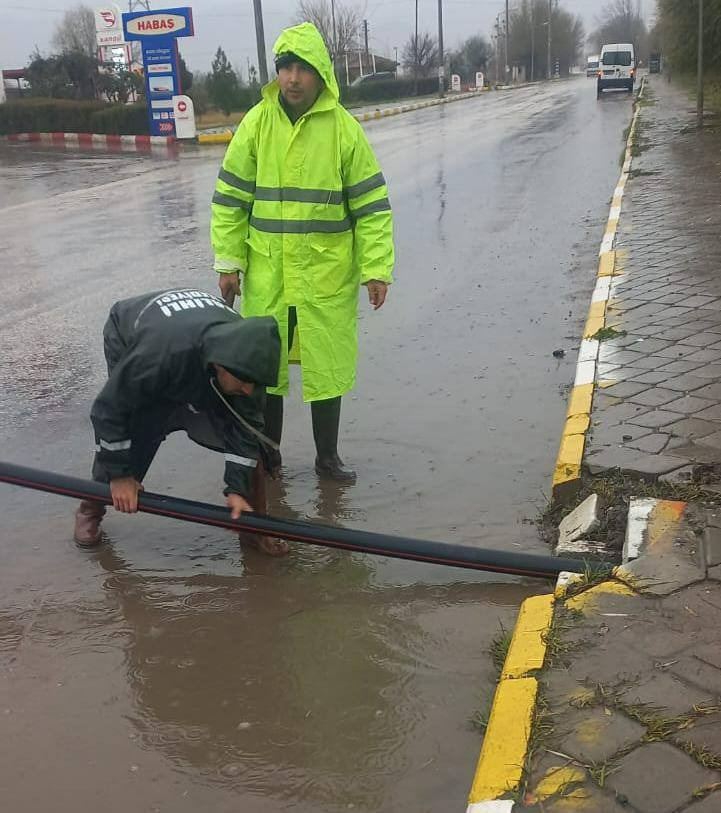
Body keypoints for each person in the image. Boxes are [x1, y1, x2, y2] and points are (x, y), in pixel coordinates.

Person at [210, 22, 395, 483]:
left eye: (302, 69)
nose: (292, 78)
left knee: (324, 366)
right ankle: (269, 456)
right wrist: (229, 263)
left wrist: (377, 269)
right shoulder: (257, 123)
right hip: (270, 273)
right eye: (285, 67)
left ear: (321, 74)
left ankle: (326, 458)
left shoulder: (344, 131)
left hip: (323, 275)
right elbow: (231, 199)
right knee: (265, 369)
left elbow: (371, 206)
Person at [73, 288, 289, 556]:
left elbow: (245, 433)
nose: (249, 390)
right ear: (221, 366)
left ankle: (253, 530)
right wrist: (121, 475)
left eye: (254, 384)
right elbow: (109, 409)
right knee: (134, 429)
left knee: (250, 444)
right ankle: (90, 509)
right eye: (244, 383)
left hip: (192, 341)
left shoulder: (249, 362)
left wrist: (237, 489)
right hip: (137, 337)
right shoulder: (156, 355)